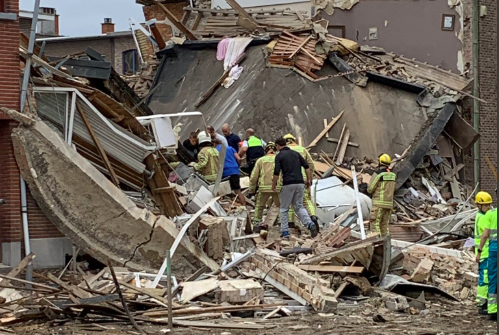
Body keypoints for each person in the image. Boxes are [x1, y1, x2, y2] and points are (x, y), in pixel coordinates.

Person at [272, 137, 318, 239]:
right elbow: (307, 166)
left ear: (278, 146)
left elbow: (276, 172)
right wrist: (309, 180)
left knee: (284, 208)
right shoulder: (296, 154)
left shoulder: (279, 156)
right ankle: (310, 224)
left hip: (288, 184)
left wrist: (274, 184)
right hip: (300, 183)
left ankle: (285, 232)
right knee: (299, 206)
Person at [283, 134, 319, 231]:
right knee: (306, 200)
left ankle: (290, 222)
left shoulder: (283, 152)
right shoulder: (302, 149)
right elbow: (311, 164)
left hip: (289, 178)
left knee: (290, 200)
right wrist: (309, 178)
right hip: (302, 177)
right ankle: (313, 217)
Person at [249, 142, 281, 232]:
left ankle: (256, 224)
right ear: (275, 150)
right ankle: (280, 223)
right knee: (281, 206)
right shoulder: (279, 159)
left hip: (263, 188)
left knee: (259, 206)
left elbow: (254, 176)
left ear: (266, 150)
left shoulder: (261, 160)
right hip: (277, 188)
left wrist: (251, 190)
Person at [476, 202, 497, 322]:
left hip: (494, 250)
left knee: (493, 278)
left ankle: (492, 310)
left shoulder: (491, 214)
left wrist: (479, 250)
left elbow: (484, 235)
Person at [367, 154, 396, 237]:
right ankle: (386, 245)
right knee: (385, 226)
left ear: (380, 162)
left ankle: (378, 246)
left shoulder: (379, 174)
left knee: (375, 224)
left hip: (378, 203)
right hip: (389, 204)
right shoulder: (393, 175)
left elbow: (370, 189)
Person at [474, 191, 492, 315]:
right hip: (485, 253)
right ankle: (483, 304)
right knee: (485, 279)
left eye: (489, 205)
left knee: (483, 277)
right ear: (479, 205)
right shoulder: (482, 217)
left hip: (483, 253)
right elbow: (486, 235)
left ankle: (482, 302)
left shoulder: (478, 215)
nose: (488, 207)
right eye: (486, 205)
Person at [213, 138, 246, 206]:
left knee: (225, 192)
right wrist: (237, 166)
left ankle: (230, 206)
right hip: (235, 171)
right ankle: (244, 204)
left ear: (214, 144)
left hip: (225, 172)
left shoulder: (215, 150)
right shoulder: (230, 148)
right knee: (237, 190)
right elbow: (239, 158)